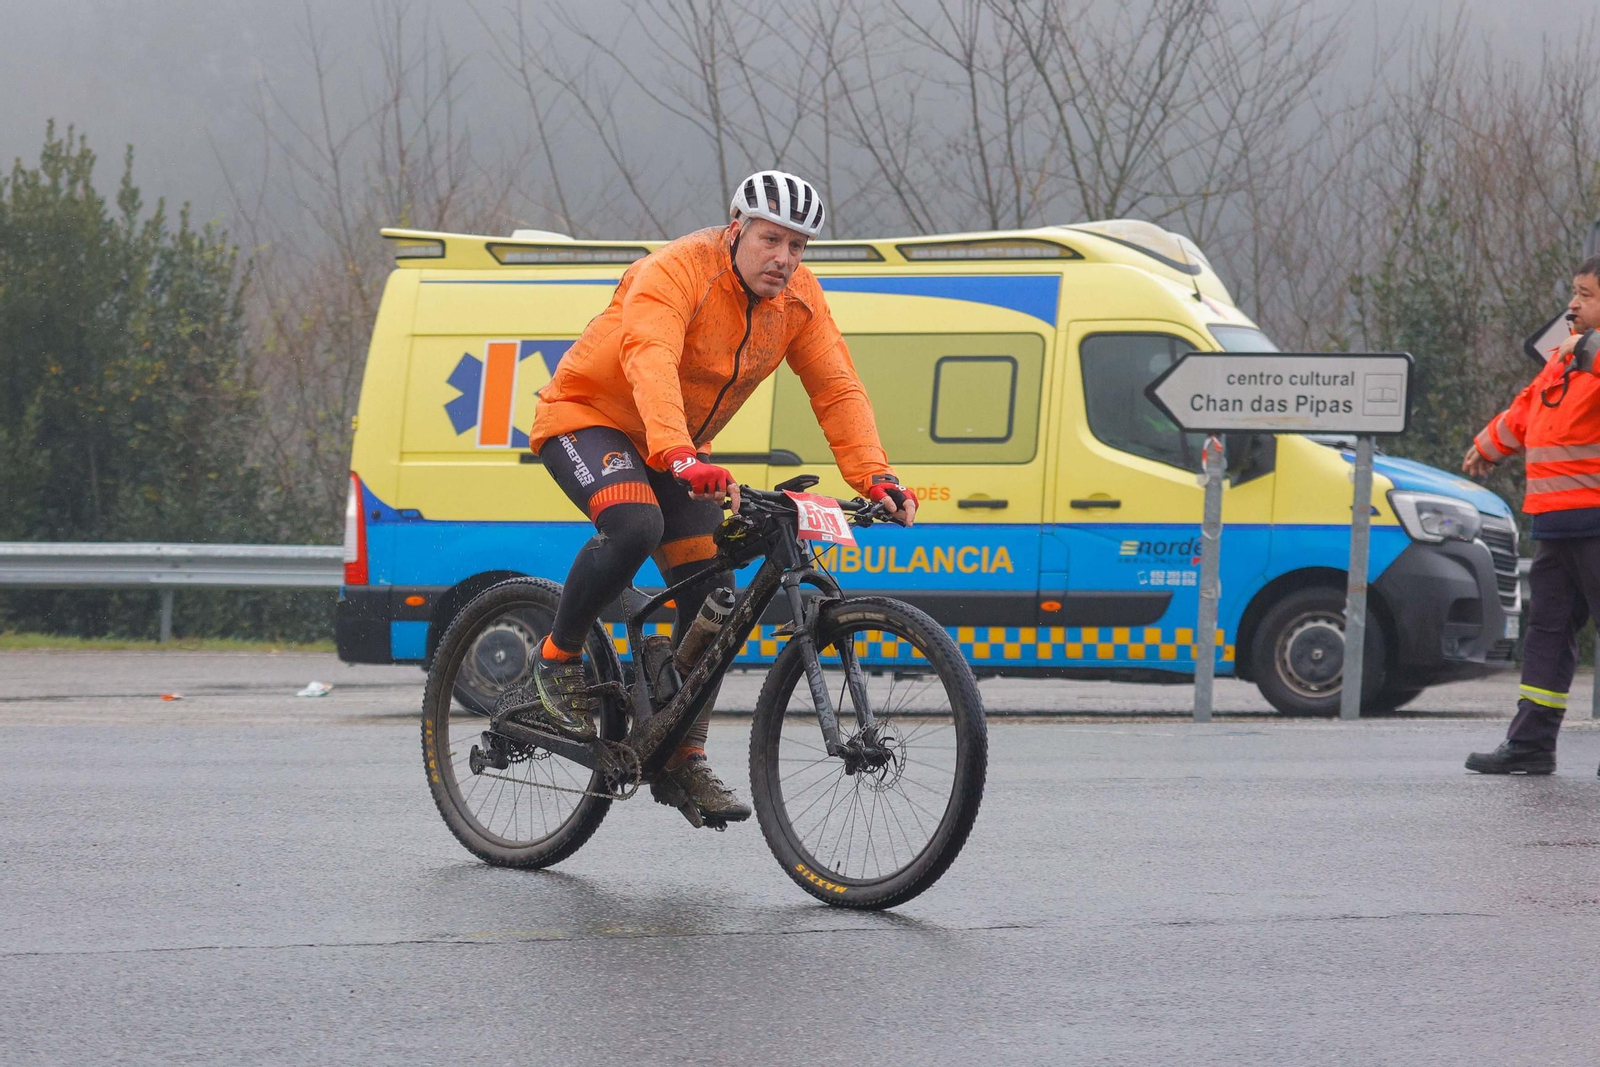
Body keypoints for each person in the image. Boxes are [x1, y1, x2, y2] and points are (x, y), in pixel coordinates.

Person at [524, 170, 918, 824]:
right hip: (588, 417)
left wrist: (874, 476)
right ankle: (556, 659)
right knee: (635, 525)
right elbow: (650, 356)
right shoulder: (675, 271)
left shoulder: (800, 299)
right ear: (736, 230)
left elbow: (835, 387)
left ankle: (680, 755)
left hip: (676, 443)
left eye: (798, 246)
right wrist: (678, 453)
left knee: (716, 592)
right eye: (771, 239)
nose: (784, 258)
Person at [1463, 257, 1600, 775]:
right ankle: (1530, 745)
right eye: (1574, 292)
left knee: (1551, 631)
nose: (1572, 304)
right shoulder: (1566, 355)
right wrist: (1488, 445)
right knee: (1546, 632)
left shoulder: (1583, 352)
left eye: (1585, 295)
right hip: (1557, 523)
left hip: (1595, 522)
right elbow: (1530, 408)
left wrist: (1583, 348)